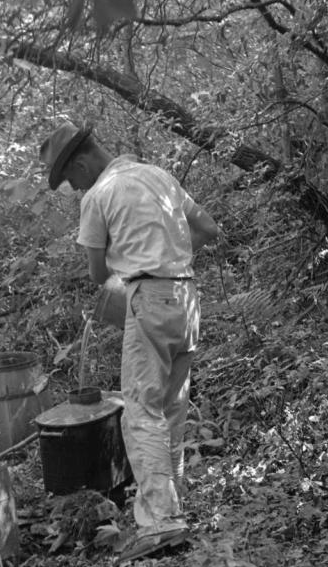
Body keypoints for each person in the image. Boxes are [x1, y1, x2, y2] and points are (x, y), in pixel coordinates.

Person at [39, 120, 220, 543]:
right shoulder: (159, 176)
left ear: (81, 164)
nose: (74, 188)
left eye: (69, 179)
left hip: (149, 299)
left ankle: (160, 521)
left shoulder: (100, 195)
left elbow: (97, 272)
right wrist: (169, 258)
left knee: (140, 411)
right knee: (171, 408)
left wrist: (138, 271)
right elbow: (209, 228)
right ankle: (175, 508)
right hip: (187, 296)